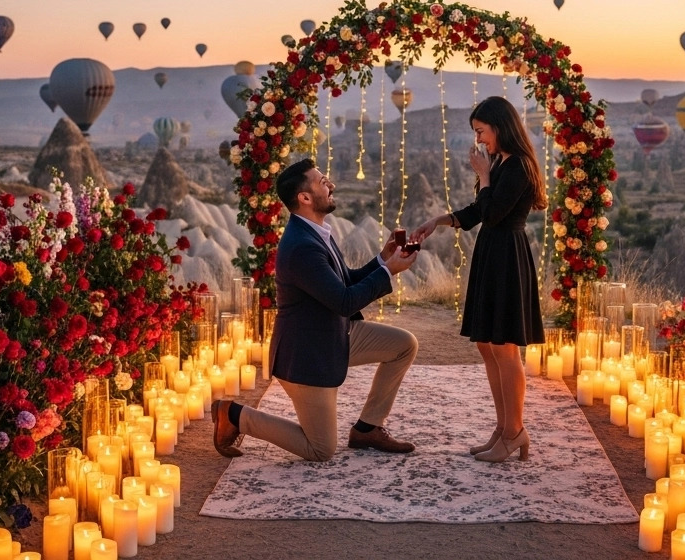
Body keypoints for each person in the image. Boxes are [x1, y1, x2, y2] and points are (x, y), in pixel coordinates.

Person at [211, 158, 420, 461]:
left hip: (334, 334)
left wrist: (382, 261)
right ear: (305, 198)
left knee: (403, 345)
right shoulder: (302, 246)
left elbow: (343, 282)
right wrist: (389, 273)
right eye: (323, 181)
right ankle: (234, 414)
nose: (331, 184)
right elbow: (344, 301)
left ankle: (367, 428)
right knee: (321, 448)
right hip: (307, 354)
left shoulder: (316, 231)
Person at [413, 96, 546, 462]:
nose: (479, 140)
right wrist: (438, 221)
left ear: (500, 127)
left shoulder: (518, 165)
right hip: (491, 253)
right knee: (487, 346)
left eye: (481, 131)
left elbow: (494, 213)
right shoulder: (500, 161)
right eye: (475, 132)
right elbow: (476, 212)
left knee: (505, 349)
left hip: (507, 257)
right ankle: (503, 428)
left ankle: (515, 431)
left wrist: (484, 175)